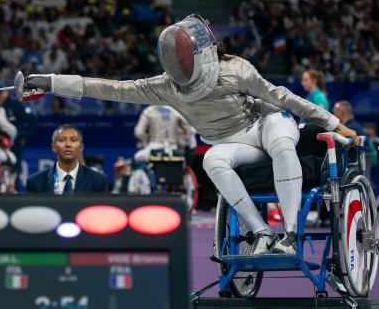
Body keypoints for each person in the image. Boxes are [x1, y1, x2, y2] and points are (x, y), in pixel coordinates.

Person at [22, 14, 359, 255]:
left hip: (265, 124)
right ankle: (261, 233)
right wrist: (50, 82)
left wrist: (332, 123)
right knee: (212, 159)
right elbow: (109, 87)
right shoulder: (166, 87)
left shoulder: (234, 69)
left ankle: (290, 234)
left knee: (284, 143)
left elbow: (282, 97)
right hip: (232, 143)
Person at [26, 125, 109, 194]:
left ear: (81, 147)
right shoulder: (35, 182)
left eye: (73, 140)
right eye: (62, 140)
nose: (68, 144)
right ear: (54, 147)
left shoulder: (98, 181)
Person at [0, 83, 38, 172]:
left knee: (14, 171)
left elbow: (33, 119)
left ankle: (15, 186)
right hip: (0, 145)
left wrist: (24, 137)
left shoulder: (14, 104)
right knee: (1, 171)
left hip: (15, 144)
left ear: (5, 92)